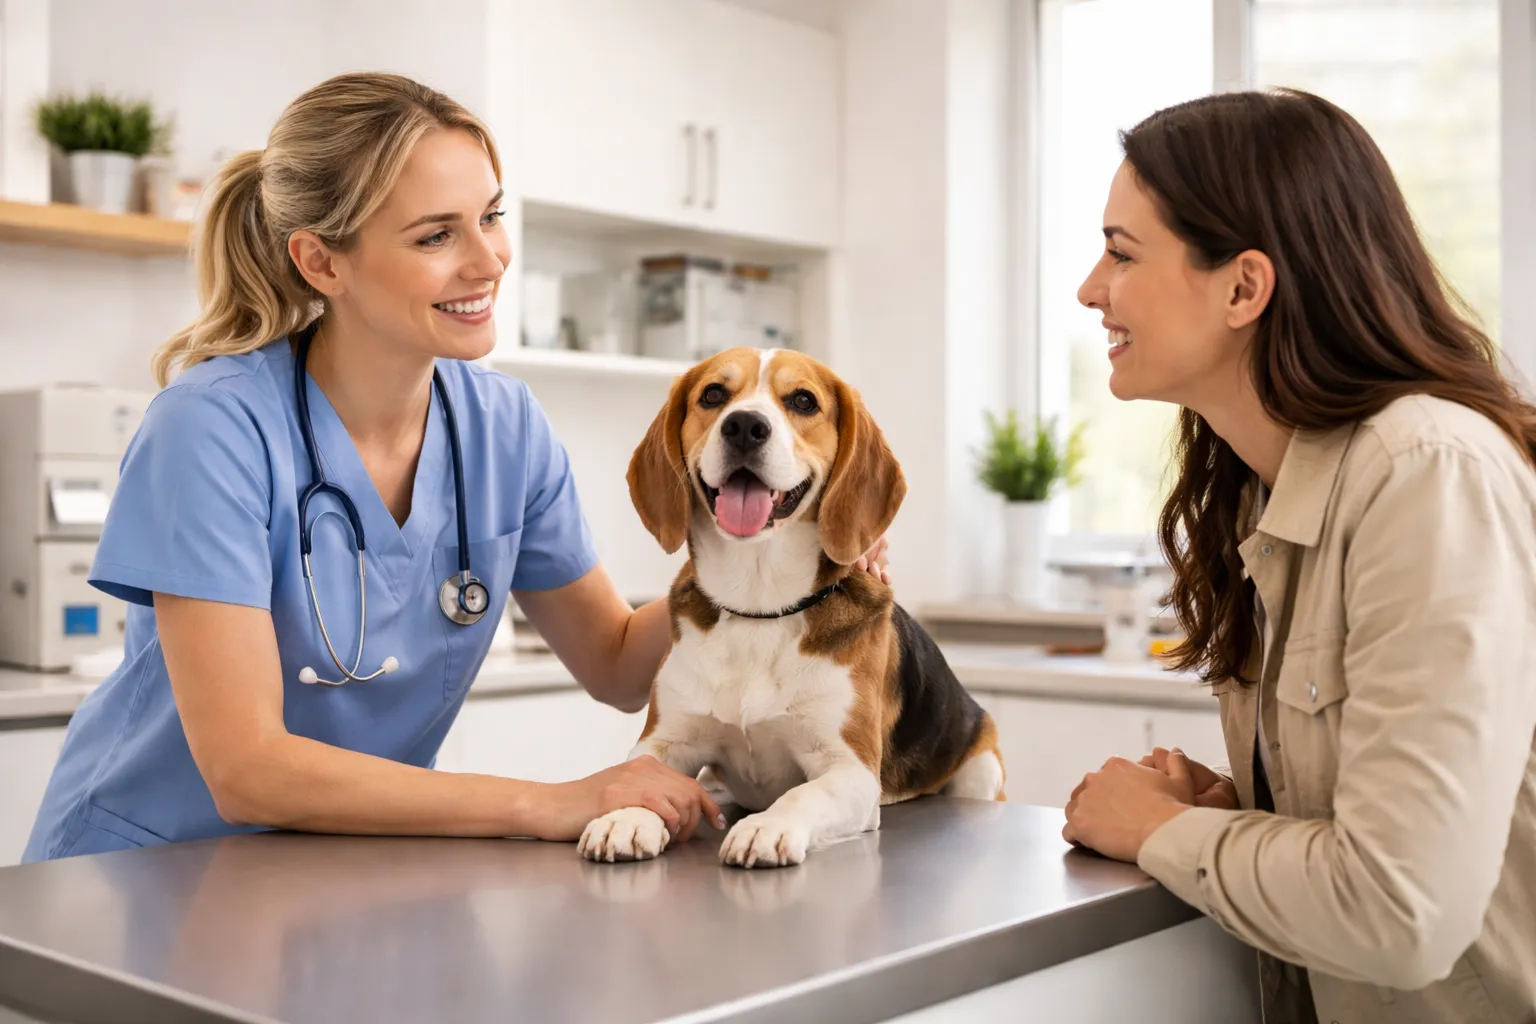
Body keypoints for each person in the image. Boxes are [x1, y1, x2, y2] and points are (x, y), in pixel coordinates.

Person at [23, 72, 888, 863]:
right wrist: (552, 802)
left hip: (342, 870)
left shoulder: (503, 426)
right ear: (321, 261)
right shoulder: (210, 428)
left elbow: (619, 667)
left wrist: (778, 568)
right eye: (438, 235)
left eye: (491, 216)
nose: (488, 261)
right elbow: (248, 769)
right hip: (149, 871)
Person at [1061, 89, 1536, 1023]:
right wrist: (1239, 812)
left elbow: (1403, 911)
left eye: (1121, 252)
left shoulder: (1426, 474)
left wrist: (1164, 827)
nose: (1090, 288)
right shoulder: (1260, 492)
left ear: (1243, 287)